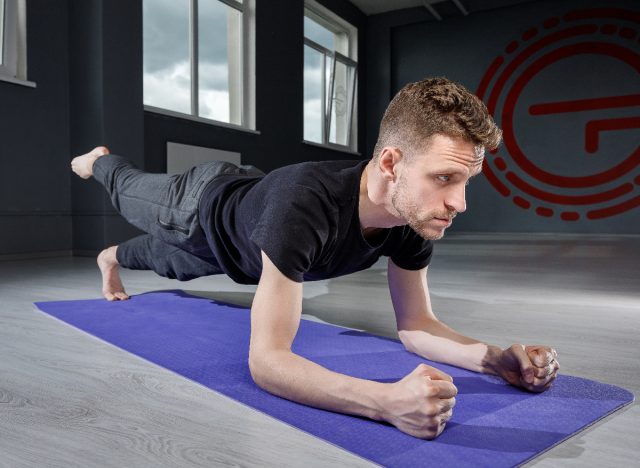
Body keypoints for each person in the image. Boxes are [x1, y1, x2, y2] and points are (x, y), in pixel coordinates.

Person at [71, 77, 559, 440]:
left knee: (165, 261)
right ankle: (97, 159)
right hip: (198, 204)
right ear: (391, 163)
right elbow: (267, 361)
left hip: (244, 252)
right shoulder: (304, 205)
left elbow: (417, 326)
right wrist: (384, 402)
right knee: (128, 189)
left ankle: (111, 256)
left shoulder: (410, 223)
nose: (460, 203)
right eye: (444, 179)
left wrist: (498, 361)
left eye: (465, 182)